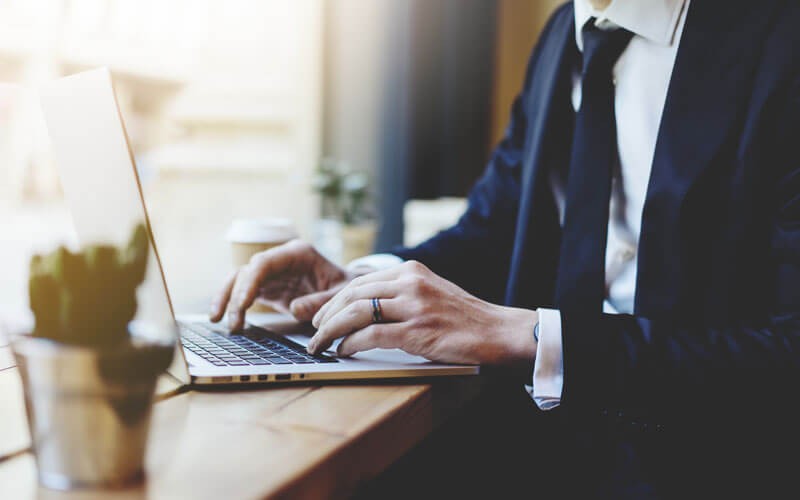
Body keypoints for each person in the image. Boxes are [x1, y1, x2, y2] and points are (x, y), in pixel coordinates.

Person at [211, 0, 800, 497]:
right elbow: (494, 229)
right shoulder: (565, 35)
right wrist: (358, 284)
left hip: (701, 460)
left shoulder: (780, 43)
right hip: (539, 443)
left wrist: (530, 336)